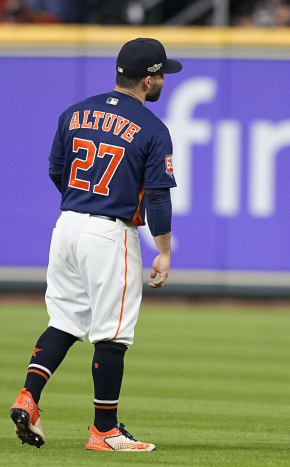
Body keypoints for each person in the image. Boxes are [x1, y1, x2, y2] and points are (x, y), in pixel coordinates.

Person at [9, 37, 180, 451]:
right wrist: (164, 249)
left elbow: (56, 170)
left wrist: (81, 203)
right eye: (160, 75)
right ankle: (105, 430)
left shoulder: (75, 113)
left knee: (65, 320)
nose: (162, 81)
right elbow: (157, 196)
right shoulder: (153, 128)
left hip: (67, 224)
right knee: (113, 334)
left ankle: (28, 397)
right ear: (148, 79)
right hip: (109, 232)